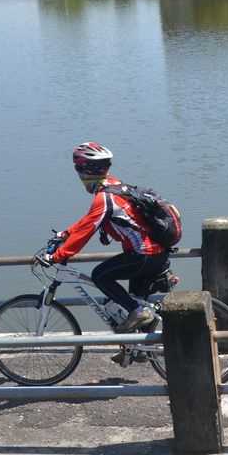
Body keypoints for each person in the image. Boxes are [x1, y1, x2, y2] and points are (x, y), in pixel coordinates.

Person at [38, 142, 170, 333]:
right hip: (154, 253)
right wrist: (65, 234)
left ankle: (137, 311)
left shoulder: (104, 198)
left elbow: (87, 230)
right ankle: (136, 350)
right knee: (124, 303)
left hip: (144, 255)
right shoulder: (114, 186)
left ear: (86, 170)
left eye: (78, 169)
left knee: (100, 276)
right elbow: (89, 220)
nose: (78, 175)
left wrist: (57, 256)